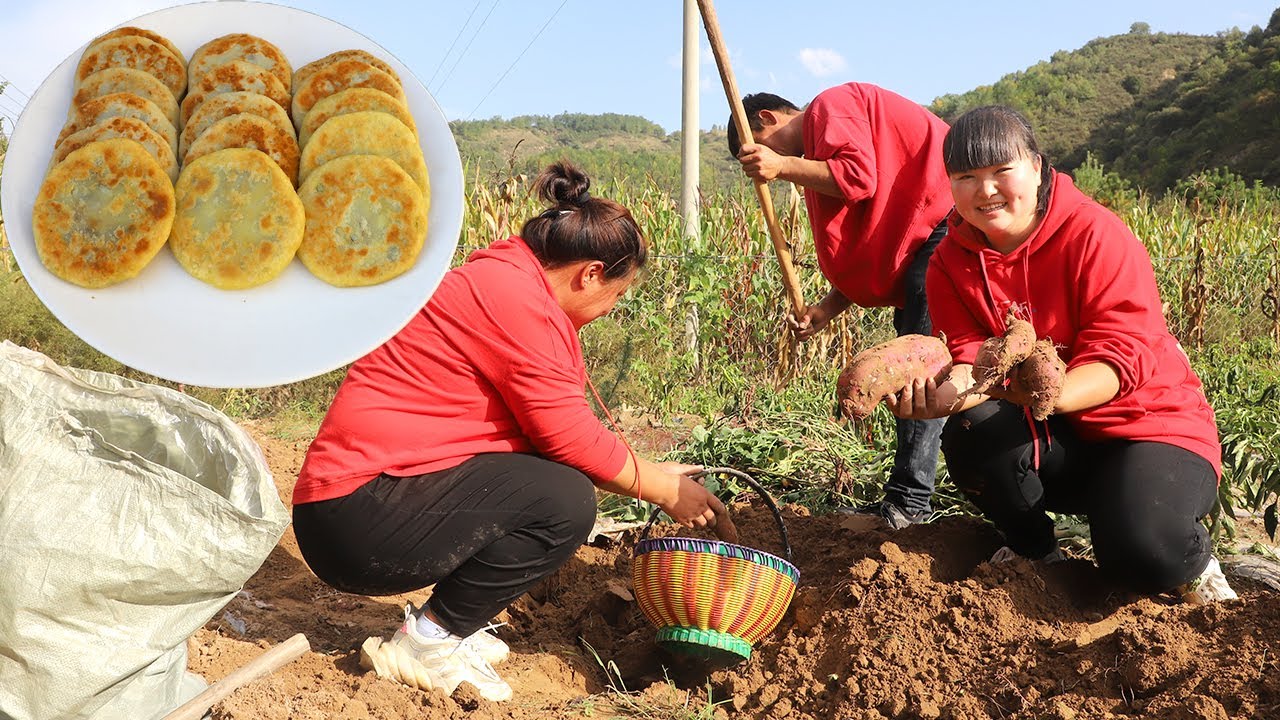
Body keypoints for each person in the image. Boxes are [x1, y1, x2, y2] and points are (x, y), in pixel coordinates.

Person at [291, 161, 737, 702]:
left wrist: (650, 472)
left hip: (370, 501)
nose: (608, 309)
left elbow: (559, 424)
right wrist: (666, 491)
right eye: (616, 295)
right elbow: (568, 438)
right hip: (355, 516)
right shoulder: (511, 297)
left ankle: (448, 627)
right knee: (564, 500)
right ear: (591, 273)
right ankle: (429, 641)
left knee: (557, 482)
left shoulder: (510, 281)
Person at [889, 105, 1236, 604]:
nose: (984, 191)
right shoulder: (949, 262)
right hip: (1058, 441)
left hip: (1149, 427)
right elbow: (971, 364)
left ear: (1036, 165)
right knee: (971, 428)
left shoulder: (1094, 234)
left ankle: (1190, 557)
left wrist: (1051, 391)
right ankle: (1034, 550)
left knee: (1144, 554)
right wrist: (934, 399)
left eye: (1000, 171)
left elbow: (1122, 357)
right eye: (965, 176)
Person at [728, 83, 954, 529]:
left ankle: (910, 503)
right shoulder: (816, 157)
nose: (763, 165)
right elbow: (878, 237)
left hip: (946, 229)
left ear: (767, 120)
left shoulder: (830, 106)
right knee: (917, 369)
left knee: (919, 372)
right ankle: (909, 498)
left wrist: (781, 165)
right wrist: (828, 307)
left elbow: (857, 177)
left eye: (758, 150)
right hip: (923, 246)